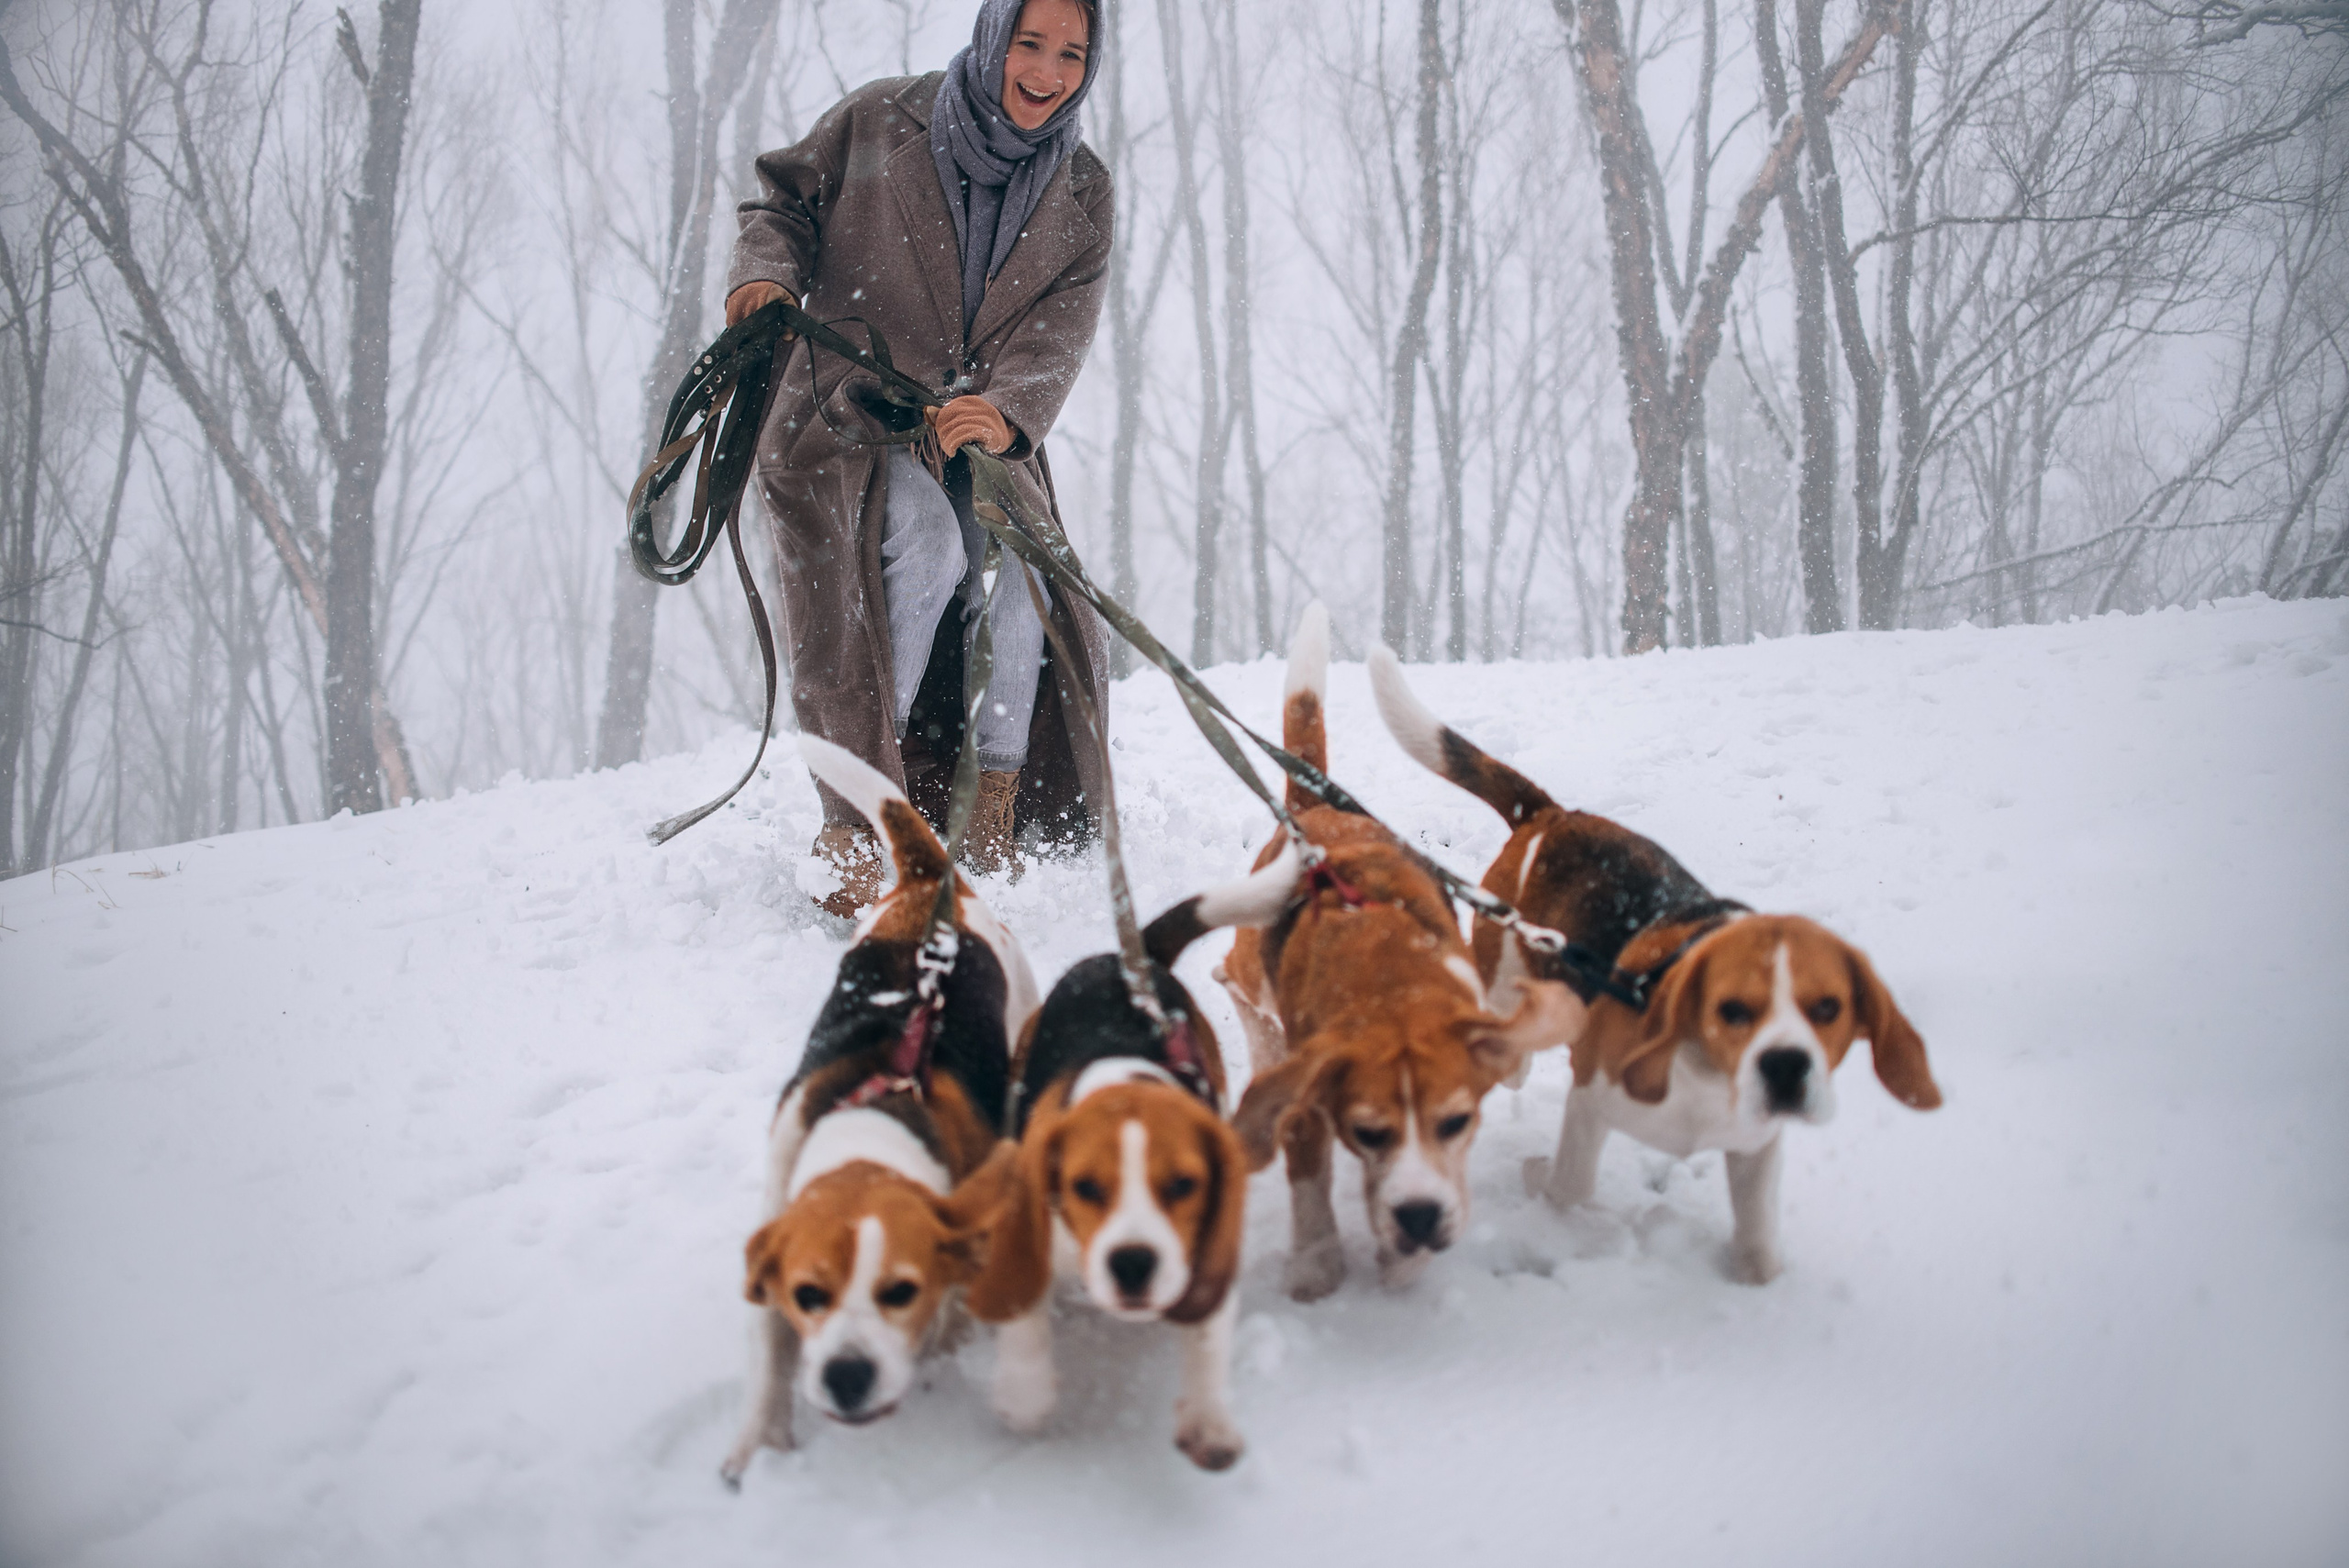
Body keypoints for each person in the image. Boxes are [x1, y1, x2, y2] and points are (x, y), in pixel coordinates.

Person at [725, 0, 1111, 917]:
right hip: (844, 417)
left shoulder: (1082, 188)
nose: (1047, 72)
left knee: (1025, 568)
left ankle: (987, 815)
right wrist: (764, 272)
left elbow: (1061, 327)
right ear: (994, 38)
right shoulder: (878, 119)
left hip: (974, 432)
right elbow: (782, 202)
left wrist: (1009, 409)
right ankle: (865, 819)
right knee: (930, 548)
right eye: (1029, 44)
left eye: (1071, 54)